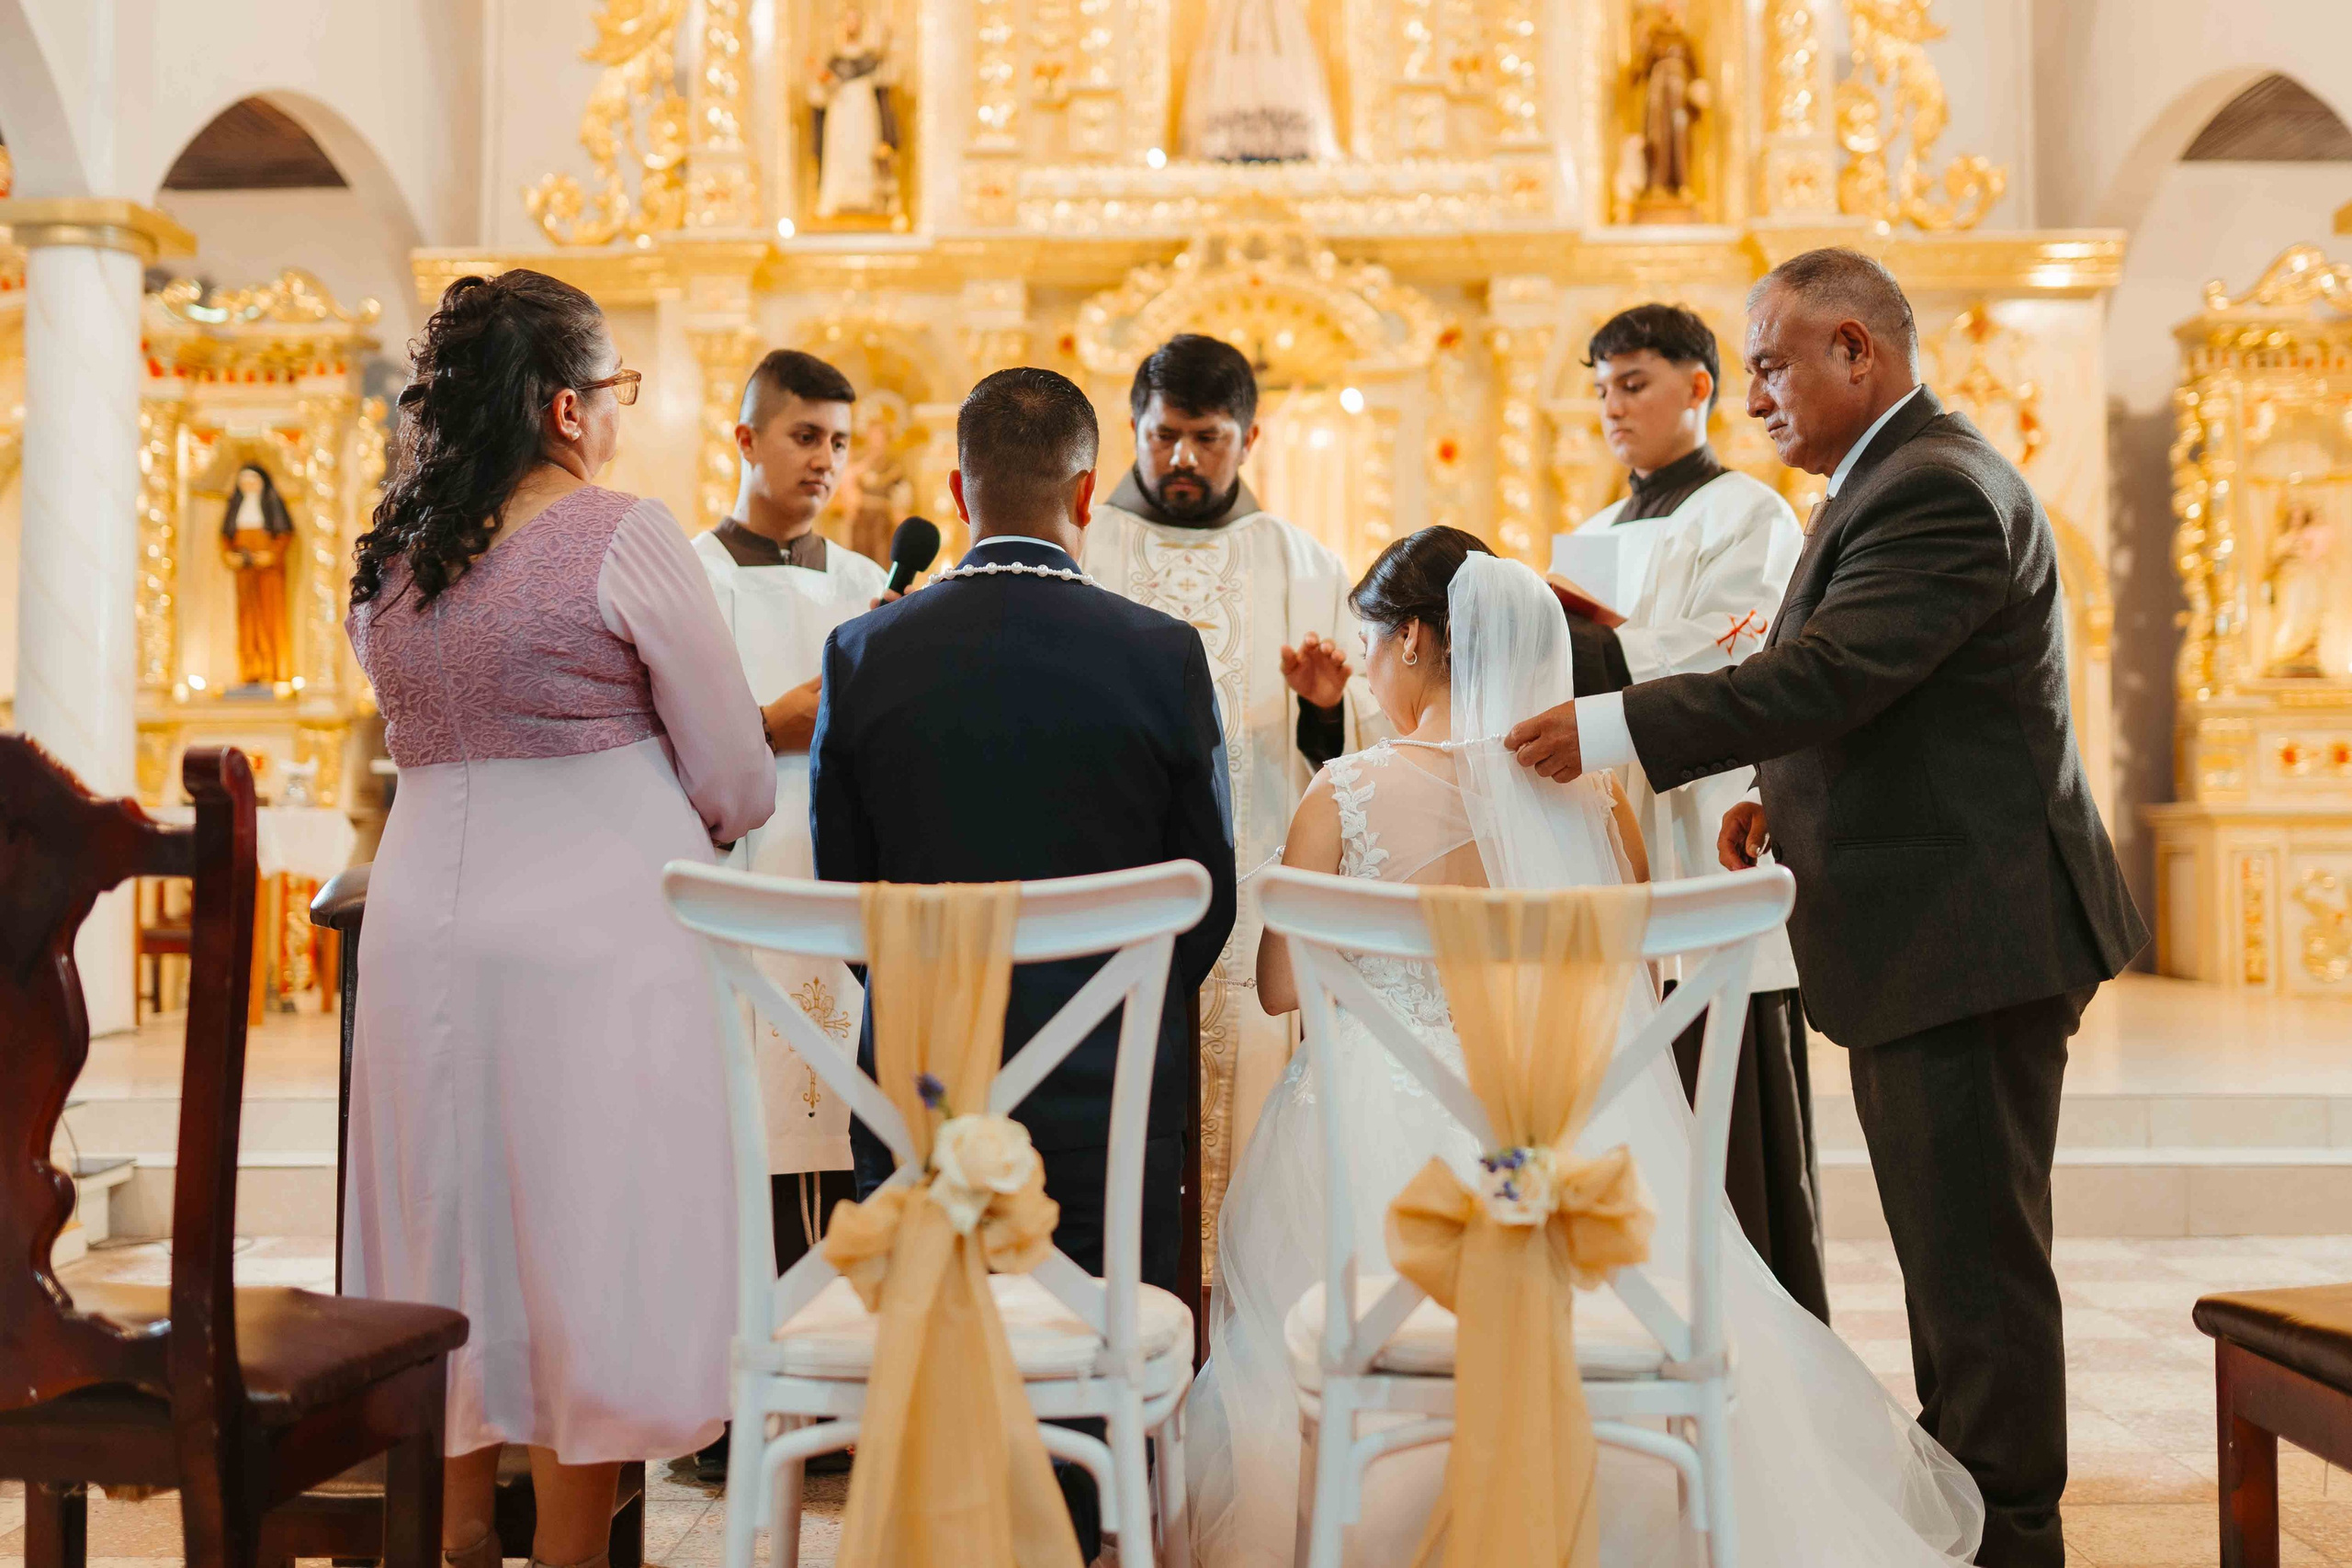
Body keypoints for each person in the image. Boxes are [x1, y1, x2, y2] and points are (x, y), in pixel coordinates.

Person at [1503, 247, 2149, 1568]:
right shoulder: (1895, 480)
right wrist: (1784, 806)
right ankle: (1979, 1517)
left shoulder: (1938, 493)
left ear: (1856, 349)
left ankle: (2012, 1538)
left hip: (1973, 930)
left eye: (1767, 365)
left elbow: (1834, 673)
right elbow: (1860, 688)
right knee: (1951, 1262)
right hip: (1939, 914)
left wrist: (1610, 722)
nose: (1754, 399)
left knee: (1975, 1278)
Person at [1189, 527, 1986, 1568]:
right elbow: (1637, 989)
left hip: (1388, 1169)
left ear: (1419, 641)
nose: (1371, 671)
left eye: (1372, 645)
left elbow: (1284, 985)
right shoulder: (1592, 793)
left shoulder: (1340, 791)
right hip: (1581, 1157)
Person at [343, 269, 774, 1568]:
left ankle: (463, 1528)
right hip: (599, 936)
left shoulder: (394, 558)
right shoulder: (620, 533)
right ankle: (576, 1551)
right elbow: (739, 776)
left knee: (449, 1222)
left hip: (422, 924)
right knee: (591, 1231)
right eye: (618, 393)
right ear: (566, 405)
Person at [809, 366, 1238, 1561]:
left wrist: (942, 1011)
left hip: (919, 1107)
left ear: (956, 487)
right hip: (1109, 1125)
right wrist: (1112, 1019)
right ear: (1090, 490)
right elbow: (1204, 898)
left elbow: (846, 900)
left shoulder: (862, 651)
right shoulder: (1161, 653)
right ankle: (1097, 1528)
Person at [1080, 332, 1378, 1276]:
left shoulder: (1304, 565)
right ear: (1133, 427)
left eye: (1207, 438)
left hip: (1253, 900)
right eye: (1164, 435)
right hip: (1108, 893)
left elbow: (1361, 759)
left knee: (1248, 1133)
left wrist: (1326, 715)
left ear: (1248, 439)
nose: (1182, 459)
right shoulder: (1087, 548)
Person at [1555, 303, 1823, 1320]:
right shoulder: (1589, 536)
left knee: (1734, 1138)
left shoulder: (1745, 513)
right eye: (1601, 391)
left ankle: (1760, 1340)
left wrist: (1592, 654)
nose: (1612, 409)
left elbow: (1737, 654)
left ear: (1698, 388)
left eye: (1632, 385)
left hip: (1706, 839)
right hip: (1610, 852)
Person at [686, 346, 888, 1483]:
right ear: (747, 440)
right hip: (737, 879)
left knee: (837, 1128)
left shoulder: (866, 586)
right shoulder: (692, 575)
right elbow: (668, 735)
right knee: (736, 1135)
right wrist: (777, 719)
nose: (823, 460)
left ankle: (837, 1401)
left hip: (840, 882)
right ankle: (725, 1412)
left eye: (838, 441)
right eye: (803, 435)